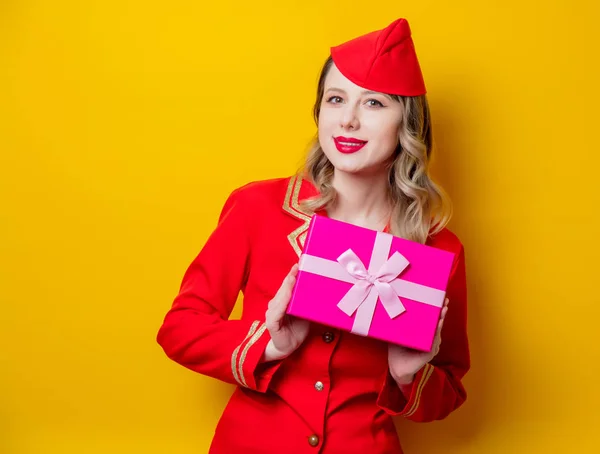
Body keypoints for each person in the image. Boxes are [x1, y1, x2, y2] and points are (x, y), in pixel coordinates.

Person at [156, 17, 470, 454]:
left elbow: (449, 390)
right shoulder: (257, 208)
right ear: (319, 110)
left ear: (408, 125)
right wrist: (268, 344)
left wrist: (408, 374)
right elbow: (179, 328)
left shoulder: (438, 249)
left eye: (374, 104)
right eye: (336, 99)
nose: (349, 121)